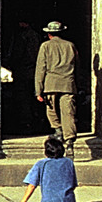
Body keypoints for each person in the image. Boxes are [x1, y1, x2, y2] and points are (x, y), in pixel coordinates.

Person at [33, 20, 78, 154]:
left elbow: (40, 68)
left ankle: (58, 131)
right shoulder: (71, 46)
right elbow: (77, 67)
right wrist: (77, 85)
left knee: (51, 111)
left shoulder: (45, 46)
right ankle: (69, 141)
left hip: (51, 83)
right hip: (68, 83)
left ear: (49, 34)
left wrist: (38, 90)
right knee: (68, 112)